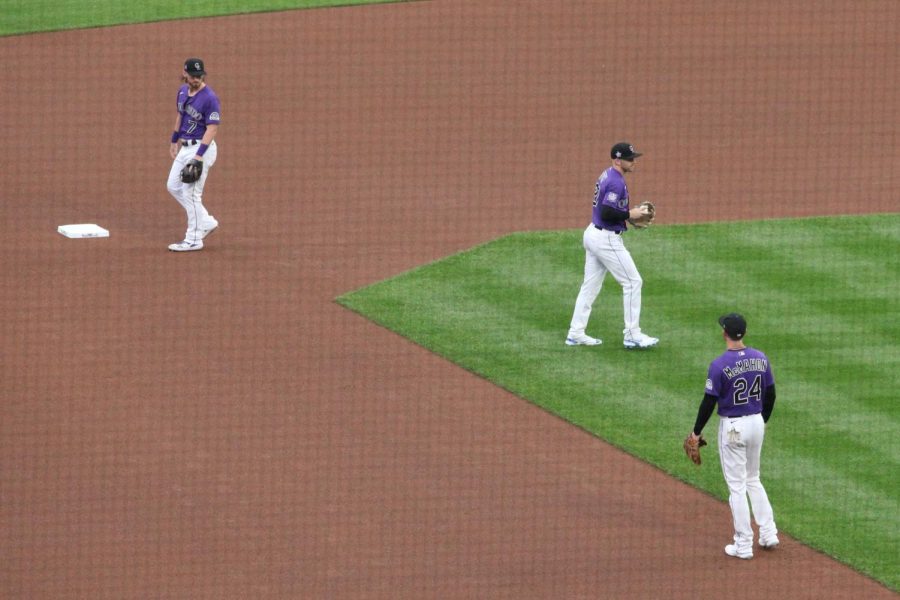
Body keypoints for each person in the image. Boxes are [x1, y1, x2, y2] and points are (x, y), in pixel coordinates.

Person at [687, 313, 779, 559]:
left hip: (733, 428)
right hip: (757, 422)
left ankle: (743, 544)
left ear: (724, 333)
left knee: (737, 486)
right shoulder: (761, 358)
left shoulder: (719, 365)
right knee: (753, 478)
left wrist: (695, 432)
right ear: (744, 333)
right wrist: (762, 420)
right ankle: (768, 533)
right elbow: (771, 394)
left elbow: (709, 402)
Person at [565, 142, 658, 348]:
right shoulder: (616, 182)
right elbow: (608, 211)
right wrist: (629, 214)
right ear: (617, 159)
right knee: (633, 282)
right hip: (605, 239)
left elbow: (607, 209)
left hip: (593, 233)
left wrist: (628, 218)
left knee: (590, 286)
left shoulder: (607, 174)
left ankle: (576, 332)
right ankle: (632, 334)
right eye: (630, 158)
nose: (634, 162)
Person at [166, 57, 221, 252]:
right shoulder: (182, 92)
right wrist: (174, 140)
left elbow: (212, 129)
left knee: (191, 193)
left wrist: (198, 157)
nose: (196, 79)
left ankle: (194, 239)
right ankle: (205, 221)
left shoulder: (210, 98)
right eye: (193, 76)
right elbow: (181, 115)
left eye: (199, 76)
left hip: (201, 149)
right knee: (173, 186)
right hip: (185, 147)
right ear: (185, 74)